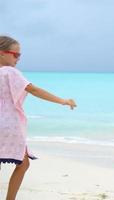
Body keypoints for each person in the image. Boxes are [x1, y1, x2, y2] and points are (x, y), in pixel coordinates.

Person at [0, 35, 77, 200]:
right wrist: (62, 101)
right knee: (23, 163)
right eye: (15, 54)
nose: (18, 58)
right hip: (8, 125)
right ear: (1, 53)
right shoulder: (9, 72)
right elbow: (33, 90)